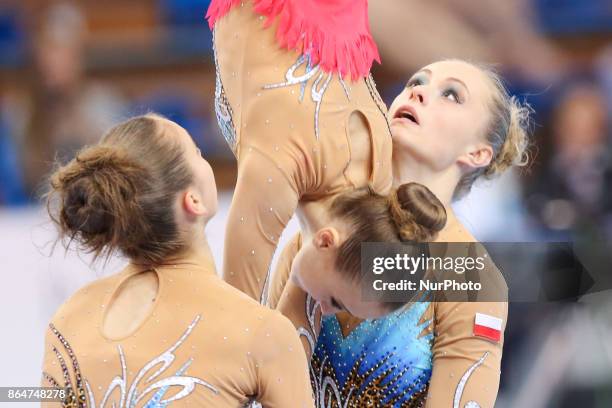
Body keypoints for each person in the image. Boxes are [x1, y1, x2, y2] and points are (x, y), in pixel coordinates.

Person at [269, 59, 530, 407]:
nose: (418, 92)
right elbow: (269, 377)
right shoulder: (323, 231)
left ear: (478, 152)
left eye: (451, 95)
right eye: (415, 81)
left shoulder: (469, 277)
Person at [41, 114, 314, 407]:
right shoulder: (262, 331)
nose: (203, 156)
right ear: (192, 200)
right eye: (196, 151)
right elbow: (372, 281)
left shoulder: (70, 318)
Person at [206, 0, 393, 303]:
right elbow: (233, 317)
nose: (328, 311)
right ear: (327, 241)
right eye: (334, 301)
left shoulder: (380, 170)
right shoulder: (278, 171)